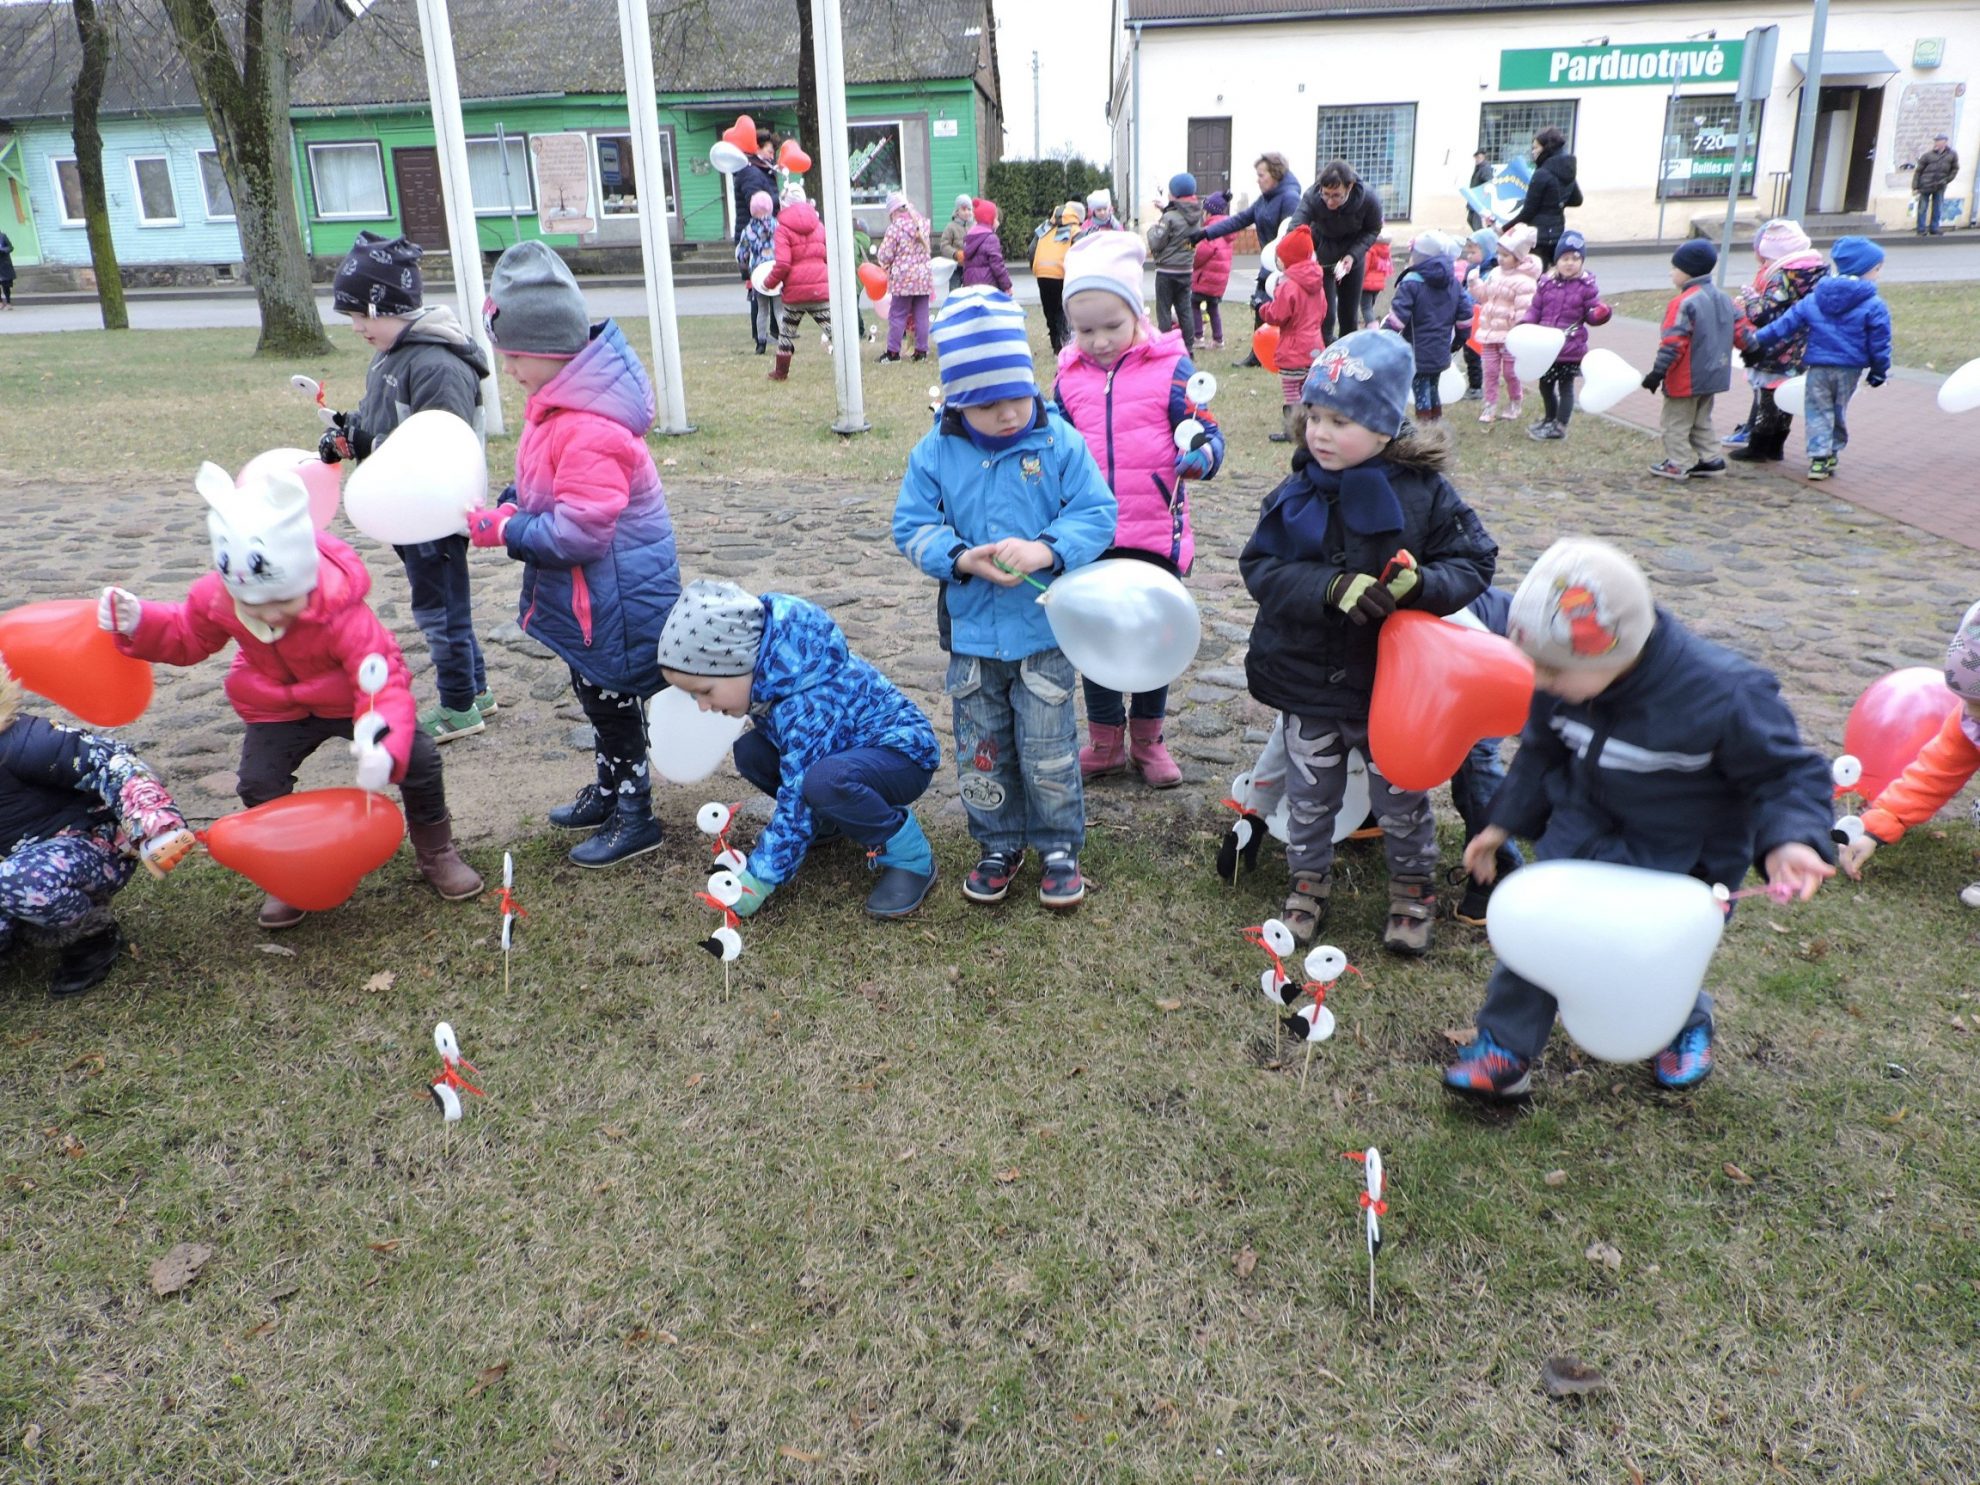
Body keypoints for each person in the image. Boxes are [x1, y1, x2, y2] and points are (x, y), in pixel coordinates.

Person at [1445, 538, 1836, 1100]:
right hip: (1583, 831)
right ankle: (1504, 1048)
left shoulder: (1724, 693)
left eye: (1552, 674)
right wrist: (1500, 824)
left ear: (1617, 653)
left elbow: (1785, 775)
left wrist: (1790, 842)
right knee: (1541, 934)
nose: (1539, 682)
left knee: (1647, 955)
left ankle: (1681, 1021)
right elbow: (1540, 752)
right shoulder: (1561, 682)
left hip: (1683, 853)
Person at [103, 465, 481, 927]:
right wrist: (139, 622)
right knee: (258, 782)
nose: (269, 615)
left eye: (282, 601)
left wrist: (380, 738)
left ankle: (435, 849)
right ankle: (288, 864)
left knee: (418, 758)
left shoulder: (341, 609)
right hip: (276, 707)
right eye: (255, 607)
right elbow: (186, 636)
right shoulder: (220, 597)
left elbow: (379, 681)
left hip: (349, 700)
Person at [1239, 330, 1497, 954]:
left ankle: (1412, 891)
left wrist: (1423, 585)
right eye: (1314, 417)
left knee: (1402, 795)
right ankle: (1306, 881)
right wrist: (1330, 588)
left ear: (1384, 428)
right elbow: (1262, 568)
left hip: (1394, 688)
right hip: (1309, 678)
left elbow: (1475, 560)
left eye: (1341, 420)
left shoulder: (1424, 492)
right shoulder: (1297, 490)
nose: (1321, 433)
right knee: (1310, 793)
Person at [892, 287, 1117, 910]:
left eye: (1018, 395)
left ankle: (1058, 846)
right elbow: (911, 526)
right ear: (958, 401)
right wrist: (960, 556)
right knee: (981, 747)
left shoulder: (1058, 444)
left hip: (1044, 634)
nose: (1009, 414)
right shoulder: (935, 453)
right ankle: (997, 842)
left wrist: (1047, 549)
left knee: (1048, 747)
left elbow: (1098, 514)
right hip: (971, 635)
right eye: (988, 405)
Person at [466, 242, 680, 868]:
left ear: (551, 352)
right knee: (596, 699)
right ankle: (612, 789)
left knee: (613, 704)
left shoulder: (588, 426)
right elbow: (549, 492)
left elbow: (582, 531)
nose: (508, 370)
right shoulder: (561, 409)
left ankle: (636, 814)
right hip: (594, 598)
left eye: (514, 357)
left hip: (614, 602)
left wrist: (505, 530)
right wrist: (511, 503)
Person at [656, 581, 943, 920]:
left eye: (705, 691)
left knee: (821, 783)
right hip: (848, 753)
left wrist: (759, 879)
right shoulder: (773, 677)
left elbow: (797, 793)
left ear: (737, 664)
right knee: (752, 752)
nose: (703, 706)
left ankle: (909, 857)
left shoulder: (806, 702)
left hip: (902, 756)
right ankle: (829, 823)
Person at [1054, 233, 1225, 789]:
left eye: (1112, 325)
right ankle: (1105, 740)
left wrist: (1201, 454)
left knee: (1154, 636)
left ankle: (1149, 739)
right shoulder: (1067, 379)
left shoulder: (1172, 370)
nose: (1099, 340)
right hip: (1090, 535)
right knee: (1098, 635)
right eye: (1085, 329)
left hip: (1153, 533)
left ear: (1137, 313)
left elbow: (1208, 433)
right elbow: (1052, 444)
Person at [318, 231, 494, 743]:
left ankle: (460, 705)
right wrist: (350, 432)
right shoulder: (393, 354)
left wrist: (371, 440)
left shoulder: (435, 364)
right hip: (406, 507)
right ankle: (477, 691)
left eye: (360, 316)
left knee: (440, 612)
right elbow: (384, 422)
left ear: (387, 304)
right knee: (444, 605)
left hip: (433, 512)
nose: (355, 328)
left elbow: (437, 446)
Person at [0, 671, 194, 995]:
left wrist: (156, 828)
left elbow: (112, 763)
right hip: (22, 858)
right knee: (13, 882)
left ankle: (90, 934)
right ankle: (13, 931)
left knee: (17, 882)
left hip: (90, 845)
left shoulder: (23, 742)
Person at [1838, 600, 1980, 910]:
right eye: (1968, 702)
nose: (1971, 714)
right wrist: (1880, 823)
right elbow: (1935, 772)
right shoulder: (1971, 720)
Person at [1744, 236, 1891, 482]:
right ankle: (1832, 450)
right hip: (1849, 369)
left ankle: (1819, 456)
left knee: (1817, 410)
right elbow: (1880, 342)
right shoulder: (1874, 304)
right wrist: (1879, 370)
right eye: (1877, 269)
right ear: (1866, 269)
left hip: (1818, 367)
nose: (1878, 273)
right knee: (1838, 409)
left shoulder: (1815, 298)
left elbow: (1785, 325)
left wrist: (1755, 341)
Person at [1727, 219, 1826, 463]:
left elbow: (1763, 315)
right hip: (1801, 345)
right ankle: (1776, 445)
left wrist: (1750, 301)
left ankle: (1759, 447)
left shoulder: (1784, 276)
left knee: (1767, 399)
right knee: (1785, 397)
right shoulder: (1814, 273)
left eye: (1767, 258)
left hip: (1775, 346)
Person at [1196, 153, 1303, 367]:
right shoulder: (1265, 199)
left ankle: (1285, 355)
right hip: (1268, 264)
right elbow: (1239, 220)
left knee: (1284, 312)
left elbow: (1291, 236)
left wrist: (1284, 266)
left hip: (1284, 266)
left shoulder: (1290, 198)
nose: (1258, 179)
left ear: (1275, 174)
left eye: (1261, 175)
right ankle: (1258, 354)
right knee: (1260, 307)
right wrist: (1205, 234)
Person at [1643, 240, 1736, 480]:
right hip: (1714, 374)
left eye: (1674, 268)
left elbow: (1673, 343)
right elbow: (1741, 328)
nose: (1671, 272)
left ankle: (1678, 462)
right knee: (1701, 419)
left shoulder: (1683, 302)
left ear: (1687, 271)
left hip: (1686, 377)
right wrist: (1753, 349)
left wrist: (1658, 372)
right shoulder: (1723, 298)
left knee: (1675, 422)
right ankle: (1711, 458)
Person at [1520, 228, 1611, 441]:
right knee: (1545, 385)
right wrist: (1525, 325)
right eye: (1565, 258)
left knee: (1566, 387)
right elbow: (1535, 309)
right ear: (1557, 260)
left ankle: (1560, 426)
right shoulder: (1546, 284)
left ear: (1582, 262)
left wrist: (1601, 314)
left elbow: (1592, 314)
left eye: (1575, 258)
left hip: (1570, 348)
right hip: (1546, 347)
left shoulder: (1587, 287)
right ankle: (1549, 418)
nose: (1570, 263)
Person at [1284, 158, 1384, 340]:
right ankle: (1325, 358)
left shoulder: (1369, 199)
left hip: (1352, 259)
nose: (1330, 202)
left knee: (1348, 316)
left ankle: (1346, 359)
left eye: (1336, 195)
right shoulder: (1313, 197)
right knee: (1326, 316)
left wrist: (1353, 255)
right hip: (1322, 257)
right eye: (1326, 194)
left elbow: (1373, 229)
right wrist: (1287, 254)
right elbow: (1295, 227)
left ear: (1350, 186)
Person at [1382, 231, 1470, 423]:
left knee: (1420, 388)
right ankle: (1436, 421)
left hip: (1417, 351)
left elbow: (1398, 318)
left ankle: (1425, 429)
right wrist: (1458, 341)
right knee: (1432, 386)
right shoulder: (1453, 281)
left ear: (1419, 256)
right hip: (1440, 349)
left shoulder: (1412, 282)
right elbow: (1465, 316)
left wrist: (1383, 338)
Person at [1258, 225, 1326, 443]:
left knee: (1290, 389)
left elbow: (1278, 314)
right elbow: (1323, 311)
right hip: (1315, 344)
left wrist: (1262, 308)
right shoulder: (1317, 282)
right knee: (1308, 388)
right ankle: (1313, 425)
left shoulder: (1289, 285)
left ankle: (1293, 430)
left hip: (1294, 346)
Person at [761, 191, 832, 381]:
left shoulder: (782, 229)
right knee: (833, 329)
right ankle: (848, 363)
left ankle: (781, 372)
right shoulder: (819, 225)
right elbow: (828, 256)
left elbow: (783, 264)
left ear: (785, 205)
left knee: (786, 332)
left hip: (795, 291)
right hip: (819, 288)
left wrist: (769, 283)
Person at [1474, 223, 1540, 424]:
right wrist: (1474, 284)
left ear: (1518, 257)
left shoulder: (1525, 282)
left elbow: (1524, 311)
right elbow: (1484, 297)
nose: (1500, 259)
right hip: (1489, 332)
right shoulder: (1494, 274)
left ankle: (1515, 401)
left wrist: (1518, 333)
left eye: (1505, 255)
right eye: (1499, 254)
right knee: (1490, 371)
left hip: (1509, 337)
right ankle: (1490, 404)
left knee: (1511, 372)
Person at [1497, 126, 1581, 270]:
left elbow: (1528, 212)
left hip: (1537, 237)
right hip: (1557, 232)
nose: (1533, 152)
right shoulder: (1568, 170)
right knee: (1552, 276)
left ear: (1546, 149)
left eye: (1536, 148)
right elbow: (1577, 199)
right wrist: (1557, 203)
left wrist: (1504, 228)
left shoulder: (1542, 173)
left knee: (1533, 275)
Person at [1145, 172, 1205, 352]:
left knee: (1163, 309)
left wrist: (1152, 229)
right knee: (1184, 309)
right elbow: (1180, 219)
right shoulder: (1197, 215)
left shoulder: (1169, 217)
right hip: (1186, 270)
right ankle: (1188, 347)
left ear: (1174, 195)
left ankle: (1165, 345)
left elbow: (1157, 241)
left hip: (1166, 270)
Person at [875, 189, 933, 364]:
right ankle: (921, 351)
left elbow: (885, 255)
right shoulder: (922, 225)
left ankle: (893, 353)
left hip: (904, 279)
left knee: (898, 314)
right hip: (923, 277)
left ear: (893, 212)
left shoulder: (895, 228)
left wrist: (884, 262)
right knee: (921, 314)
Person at [1029, 200, 1086, 354]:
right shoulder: (1076, 231)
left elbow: (1031, 249)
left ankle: (1055, 343)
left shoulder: (1045, 228)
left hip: (1042, 274)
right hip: (1062, 276)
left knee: (1049, 311)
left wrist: (1034, 267)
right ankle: (1062, 346)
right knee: (1062, 311)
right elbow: (1081, 254)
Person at [734, 190, 778, 355]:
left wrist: (744, 261)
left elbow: (742, 253)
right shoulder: (777, 226)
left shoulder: (749, 230)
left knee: (762, 309)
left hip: (758, 272)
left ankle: (761, 342)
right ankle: (785, 341)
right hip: (776, 270)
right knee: (779, 309)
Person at [1191, 191, 1233, 349]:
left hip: (1206, 278)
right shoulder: (1227, 228)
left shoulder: (1212, 230)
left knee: (1194, 303)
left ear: (1209, 212)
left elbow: (1203, 253)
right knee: (1213, 307)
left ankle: (1198, 336)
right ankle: (1218, 339)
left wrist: (1192, 264)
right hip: (1219, 280)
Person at [1456, 230, 1496, 399]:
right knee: (1468, 351)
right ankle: (1475, 385)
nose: (1469, 256)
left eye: (1473, 252)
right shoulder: (1473, 269)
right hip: (1470, 316)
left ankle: (1476, 387)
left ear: (1487, 250)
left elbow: (1482, 294)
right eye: (1468, 252)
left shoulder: (1491, 272)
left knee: (1476, 354)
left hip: (1483, 318)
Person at [1912, 132, 1960, 236]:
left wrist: (1947, 179)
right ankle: (1921, 229)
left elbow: (1955, 168)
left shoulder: (1952, 155)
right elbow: (1918, 171)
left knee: (1937, 207)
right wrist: (1915, 186)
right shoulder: (1927, 155)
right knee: (1922, 207)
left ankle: (1934, 228)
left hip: (1940, 185)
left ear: (1945, 142)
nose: (1936, 143)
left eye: (1939, 141)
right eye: (1936, 141)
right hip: (1925, 185)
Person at [959, 198, 1011, 291]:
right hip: (988, 286)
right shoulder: (991, 238)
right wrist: (1007, 286)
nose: (998, 222)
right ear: (989, 219)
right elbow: (997, 265)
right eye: (996, 218)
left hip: (970, 285)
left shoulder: (970, 236)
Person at [1359, 232, 1392, 324]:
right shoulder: (1386, 252)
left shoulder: (1370, 250)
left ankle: (1373, 330)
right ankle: (1369, 327)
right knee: (1370, 307)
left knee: (1366, 308)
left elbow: (1364, 268)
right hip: (1379, 284)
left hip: (1367, 284)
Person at [938, 193, 975, 263]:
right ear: (957, 211)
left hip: (973, 265)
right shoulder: (951, 227)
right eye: (963, 209)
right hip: (956, 266)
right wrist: (955, 254)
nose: (967, 212)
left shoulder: (975, 226)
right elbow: (944, 245)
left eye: (969, 209)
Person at [1465, 149, 1492, 231]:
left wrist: (1483, 196)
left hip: (1480, 201)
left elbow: (1489, 183)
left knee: (1476, 224)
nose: (1476, 159)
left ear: (1483, 157)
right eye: (1476, 157)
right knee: (1470, 219)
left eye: (1478, 157)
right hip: (1474, 200)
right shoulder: (1478, 168)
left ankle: (1479, 241)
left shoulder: (1485, 168)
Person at [0, 230, 14, 308]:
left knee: (6, 285)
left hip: (3, 264)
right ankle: (0, 302)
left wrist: (2, 250)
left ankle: (8, 302)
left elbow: (10, 247)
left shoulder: (2, 236)